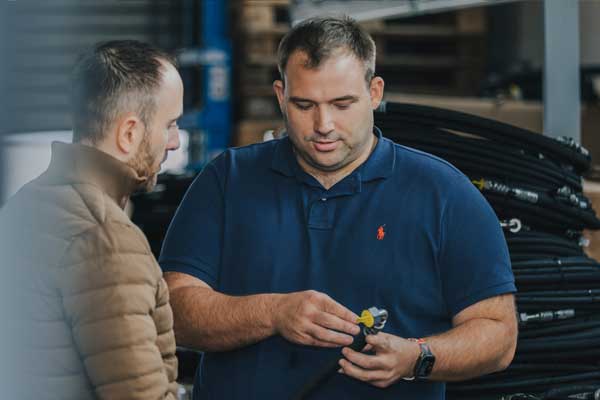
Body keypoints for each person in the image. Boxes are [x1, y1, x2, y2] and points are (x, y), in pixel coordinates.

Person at [160, 16, 517, 399]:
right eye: (303, 105)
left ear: (375, 92)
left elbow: (498, 333)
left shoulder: (443, 193)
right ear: (280, 95)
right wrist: (272, 313)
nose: (323, 124)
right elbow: (171, 312)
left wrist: (417, 357)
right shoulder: (228, 180)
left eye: (342, 104)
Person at [0, 40, 183, 399]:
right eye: (170, 124)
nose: (174, 142)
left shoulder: (27, 203)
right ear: (130, 133)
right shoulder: (104, 237)